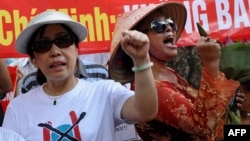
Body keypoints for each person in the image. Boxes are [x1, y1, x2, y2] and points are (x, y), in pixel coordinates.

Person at [2, 10, 158, 141]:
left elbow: (145, 111)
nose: (55, 51)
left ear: (76, 50)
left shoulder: (104, 92)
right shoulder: (18, 108)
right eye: (43, 45)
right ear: (33, 60)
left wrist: (141, 60)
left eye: (63, 40)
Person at [108, 2, 240, 141]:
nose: (169, 28)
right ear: (138, 41)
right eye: (158, 26)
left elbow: (212, 122)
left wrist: (232, 108)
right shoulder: (152, 88)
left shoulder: (169, 73)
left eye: (171, 22)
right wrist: (211, 62)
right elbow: (203, 126)